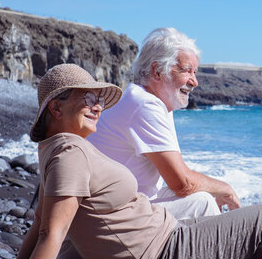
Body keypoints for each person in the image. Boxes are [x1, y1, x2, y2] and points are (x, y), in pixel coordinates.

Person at [17, 63, 262, 259]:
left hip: (162, 231)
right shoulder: (69, 153)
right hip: (160, 249)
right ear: (56, 107)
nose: (98, 107)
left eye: (98, 99)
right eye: (89, 98)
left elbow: (40, 221)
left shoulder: (55, 148)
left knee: (207, 206)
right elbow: (49, 234)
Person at [87, 28, 238, 220]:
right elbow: (182, 183)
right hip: (111, 216)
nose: (195, 81)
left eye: (195, 72)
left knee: (202, 196)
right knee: (203, 202)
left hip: (115, 206)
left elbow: (178, 182)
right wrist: (227, 190)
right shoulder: (144, 104)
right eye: (186, 71)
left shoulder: (150, 102)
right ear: (157, 71)